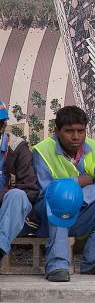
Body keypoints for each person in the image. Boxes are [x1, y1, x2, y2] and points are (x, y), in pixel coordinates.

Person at [33, 106, 95, 282]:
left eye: (80, 131)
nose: (76, 137)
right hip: (49, 218)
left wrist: (80, 198)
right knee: (61, 199)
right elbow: (45, 193)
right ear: (57, 131)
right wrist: (77, 183)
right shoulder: (42, 151)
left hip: (82, 211)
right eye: (69, 131)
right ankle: (57, 265)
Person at [0, 100, 39, 262]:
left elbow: (30, 191)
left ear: (2, 127)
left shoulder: (17, 147)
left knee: (17, 195)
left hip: (13, 218)